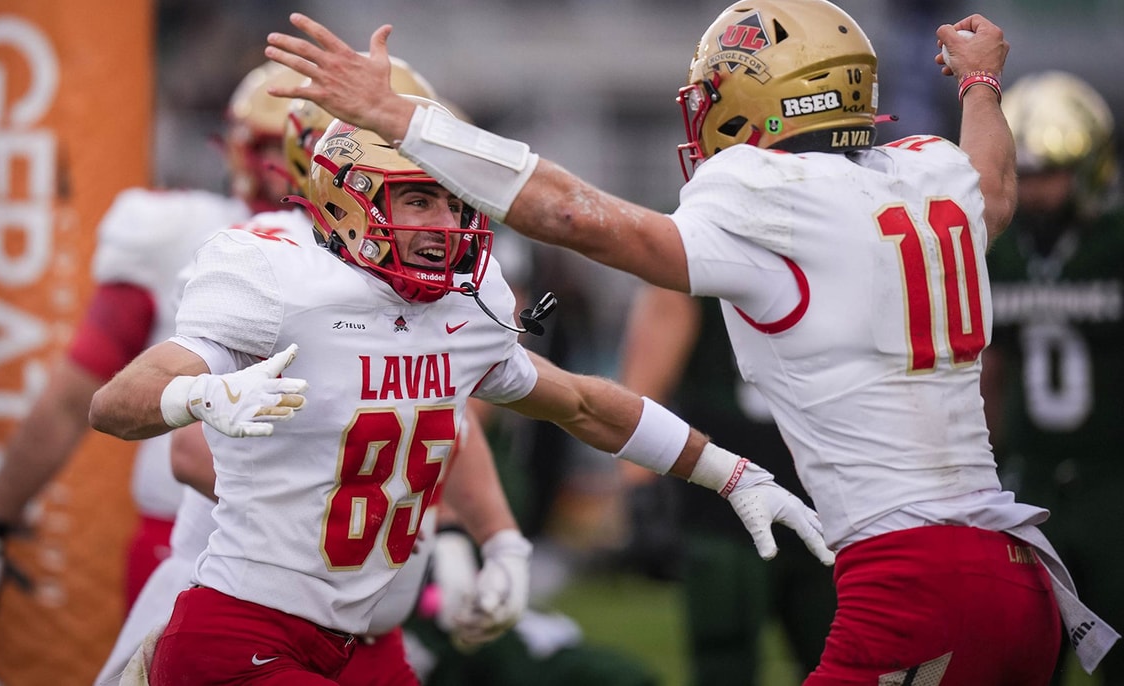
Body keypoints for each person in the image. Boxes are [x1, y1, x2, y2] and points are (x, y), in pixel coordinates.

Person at [263, 1, 1120, 682]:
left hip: (913, 576)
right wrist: (980, 86)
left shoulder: (767, 189)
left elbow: (579, 219)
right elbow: (993, 189)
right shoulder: (928, 170)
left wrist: (401, 119)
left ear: (762, 96)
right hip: (1019, 576)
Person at [86, 93, 830, 683]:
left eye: (458, 204)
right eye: (419, 201)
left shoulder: (464, 310)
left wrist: (728, 473)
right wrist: (196, 397)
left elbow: (580, 403)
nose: (448, 225)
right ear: (351, 199)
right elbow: (111, 406)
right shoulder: (280, 281)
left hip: (361, 642)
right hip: (243, 630)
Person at [96, 67, 501, 686]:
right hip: (248, 601)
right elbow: (182, 444)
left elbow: (444, 407)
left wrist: (484, 536)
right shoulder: (273, 261)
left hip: (358, 617)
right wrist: (361, 524)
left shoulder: (414, 275)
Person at [0, 59, 304, 631]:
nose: (295, 168)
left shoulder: (384, 266)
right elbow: (73, 397)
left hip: (348, 542)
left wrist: (449, 528)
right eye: (281, 148)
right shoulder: (188, 234)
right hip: (200, 534)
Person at [981, 71, 1124, 684]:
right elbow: (987, 373)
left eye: (1051, 174)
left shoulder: (1114, 245)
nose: (1036, 191)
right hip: (1029, 485)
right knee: (1022, 660)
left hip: (1113, 481)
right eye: (1028, 174)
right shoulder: (998, 253)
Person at [617, 285, 834, 684]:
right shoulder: (699, 252)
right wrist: (639, 487)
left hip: (819, 488)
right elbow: (647, 379)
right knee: (725, 660)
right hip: (727, 492)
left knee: (846, 657)